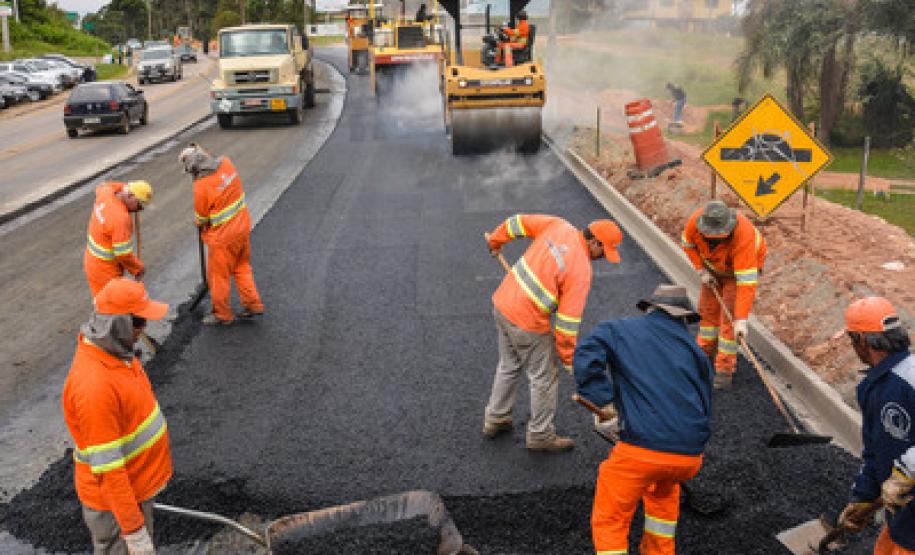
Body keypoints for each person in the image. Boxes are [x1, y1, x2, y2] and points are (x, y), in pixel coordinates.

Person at [574, 284, 713, 555]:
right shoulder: (696, 352)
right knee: (662, 493)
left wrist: (603, 401)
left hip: (642, 452)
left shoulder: (618, 330)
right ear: (684, 318)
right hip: (690, 457)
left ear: (651, 308)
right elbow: (705, 401)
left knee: (610, 519)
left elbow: (587, 353)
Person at [483, 214, 623, 451]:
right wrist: (569, 359)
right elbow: (567, 325)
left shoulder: (559, 225)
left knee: (509, 364)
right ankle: (540, 435)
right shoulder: (581, 269)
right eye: (604, 251)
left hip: (503, 303)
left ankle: (496, 418)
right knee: (544, 377)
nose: (602, 257)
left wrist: (496, 241)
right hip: (528, 321)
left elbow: (517, 222)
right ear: (595, 242)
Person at [62, 278, 172, 555]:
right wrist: (134, 533)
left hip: (136, 491)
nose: (144, 329)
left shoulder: (117, 352)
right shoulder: (95, 387)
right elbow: (109, 470)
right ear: (118, 324)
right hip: (116, 510)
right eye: (139, 323)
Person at [836, 297, 915, 553]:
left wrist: (905, 474)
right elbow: (875, 449)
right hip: (901, 516)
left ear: (862, 340)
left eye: (851, 340)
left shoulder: (908, 382)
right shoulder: (873, 388)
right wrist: (864, 496)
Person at [681, 200, 767, 389]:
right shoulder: (695, 222)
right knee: (707, 313)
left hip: (736, 275)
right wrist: (701, 270)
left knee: (728, 322)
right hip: (712, 270)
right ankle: (703, 355)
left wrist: (741, 319)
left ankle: (724, 369)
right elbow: (688, 245)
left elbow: (746, 282)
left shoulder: (743, 235)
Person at [179, 144, 264, 326]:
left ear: (194, 169)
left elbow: (202, 217)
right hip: (242, 226)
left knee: (219, 277)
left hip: (223, 238)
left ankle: (222, 315)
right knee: (241, 266)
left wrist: (199, 223)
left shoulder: (201, 186)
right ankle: (252, 304)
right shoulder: (227, 163)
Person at [84, 181, 153, 297]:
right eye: (139, 204)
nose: (139, 209)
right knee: (111, 306)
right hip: (105, 270)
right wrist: (138, 268)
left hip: (92, 262)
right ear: (130, 195)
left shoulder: (105, 193)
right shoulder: (120, 219)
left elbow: (106, 185)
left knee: (103, 303)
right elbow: (123, 254)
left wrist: (127, 187)